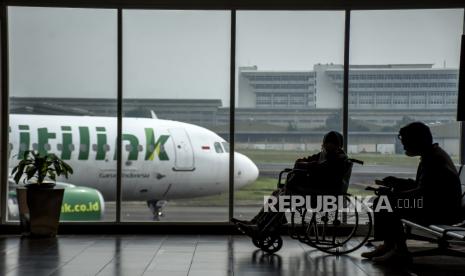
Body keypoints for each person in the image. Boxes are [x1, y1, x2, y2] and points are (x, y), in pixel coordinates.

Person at [361, 122, 462, 263]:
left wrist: (393, 194)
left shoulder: (433, 160)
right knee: (384, 202)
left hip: (439, 211)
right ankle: (390, 246)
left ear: (417, 141)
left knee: (384, 203)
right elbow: (424, 187)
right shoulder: (433, 155)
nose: (404, 147)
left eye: (406, 142)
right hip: (438, 206)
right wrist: (396, 182)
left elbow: (422, 192)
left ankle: (398, 251)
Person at [232, 131, 349, 231]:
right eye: (326, 143)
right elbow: (307, 162)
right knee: (277, 193)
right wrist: (305, 164)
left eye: (329, 143)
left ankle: (264, 225)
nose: (326, 146)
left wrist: (305, 165)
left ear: (337, 145)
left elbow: (315, 167)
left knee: (284, 197)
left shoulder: (337, 159)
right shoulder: (326, 155)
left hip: (323, 196)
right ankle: (258, 222)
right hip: (317, 192)